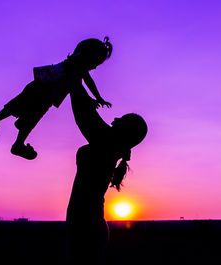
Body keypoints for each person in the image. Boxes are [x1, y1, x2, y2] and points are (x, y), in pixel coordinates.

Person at [0, 37, 113, 160]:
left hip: (47, 97)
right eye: (95, 62)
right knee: (18, 106)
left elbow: (84, 82)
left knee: (30, 118)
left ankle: (17, 143)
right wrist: (93, 99)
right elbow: (80, 85)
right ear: (87, 56)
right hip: (40, 90)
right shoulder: (74, 66)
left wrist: (97, 98)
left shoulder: (76, 68)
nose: (95, 67)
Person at [66, 79, 148, 264]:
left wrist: (74, 76)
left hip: (86, 226)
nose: (115, 119)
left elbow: (85, 115)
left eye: (122, 119)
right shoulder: (112, 145)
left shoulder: (108, 143)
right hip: (87, 225)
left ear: (125, 131)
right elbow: (87, 114)